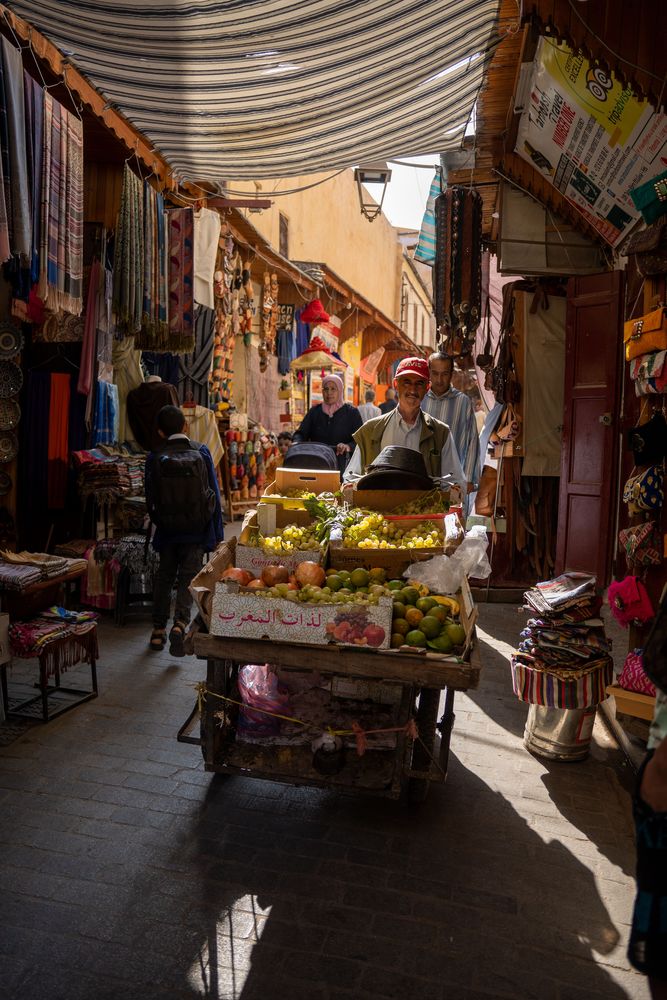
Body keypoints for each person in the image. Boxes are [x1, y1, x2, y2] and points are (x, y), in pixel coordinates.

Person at [145, 405, 224, 656]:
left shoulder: (154, 455)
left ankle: (157, 631)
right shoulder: (200, 451)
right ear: (185, 427)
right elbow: (213, 493)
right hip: (196, 530)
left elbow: (150, 499)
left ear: (160, 431)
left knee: (164, 576)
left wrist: (161, 521)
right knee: (188, 578)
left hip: (168, 530)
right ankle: (179, 624)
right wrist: (216, 534)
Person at [343, 357, 465, 487]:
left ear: (427, 387)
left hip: (423, 507)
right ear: (396, 384)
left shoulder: (441, 433)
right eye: (406, 382)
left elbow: (455, 482)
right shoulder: (371, 430)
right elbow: (350, 479)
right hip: (379, 506)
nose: (412, 390)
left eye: (419, 383)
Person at [422, 352, 480, 497]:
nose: (439, 380)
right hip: (422, 477)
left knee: (454, 518)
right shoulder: (420, 400)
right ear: (429, 372)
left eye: (444, 374)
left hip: (454, 480)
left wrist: (467, 478)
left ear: (451, 374)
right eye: (435, 374)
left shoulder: (463, 402)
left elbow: (472, 440)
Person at [292, 372, 362, 473]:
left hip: (342, 466)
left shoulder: (352, 413)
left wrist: (348, 446)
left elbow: (360, 440)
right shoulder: (314, 412)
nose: (329, 393)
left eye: (333, 389)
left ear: (340, 391)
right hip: (316, 464)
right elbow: (301, 433)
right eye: (326, 389)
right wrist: (296, 442)